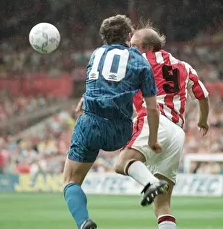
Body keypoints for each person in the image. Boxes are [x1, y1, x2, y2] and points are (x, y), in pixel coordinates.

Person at [63, 15, 168, 229]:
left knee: (70, 180)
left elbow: (99, 83)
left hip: (91, 124)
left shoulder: (95, 54)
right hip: (120, 129)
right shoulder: (139, 60)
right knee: (125, 160)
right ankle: (148, 181)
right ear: (129, 36)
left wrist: (84, 99)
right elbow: (152, 108)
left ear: (104, 37)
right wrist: (153, 140)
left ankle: (83, 221)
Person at [115, 27, 210, 229]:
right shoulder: (184, 66)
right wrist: (203, 120)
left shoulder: (139, 62)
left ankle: (150, 183)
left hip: (155, 120)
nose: (130, 49)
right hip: (177, 132)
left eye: (134, 46)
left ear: (148, 48)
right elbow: (203, 96)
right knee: (163, 205)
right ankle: (153, 186)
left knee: (122, 162)